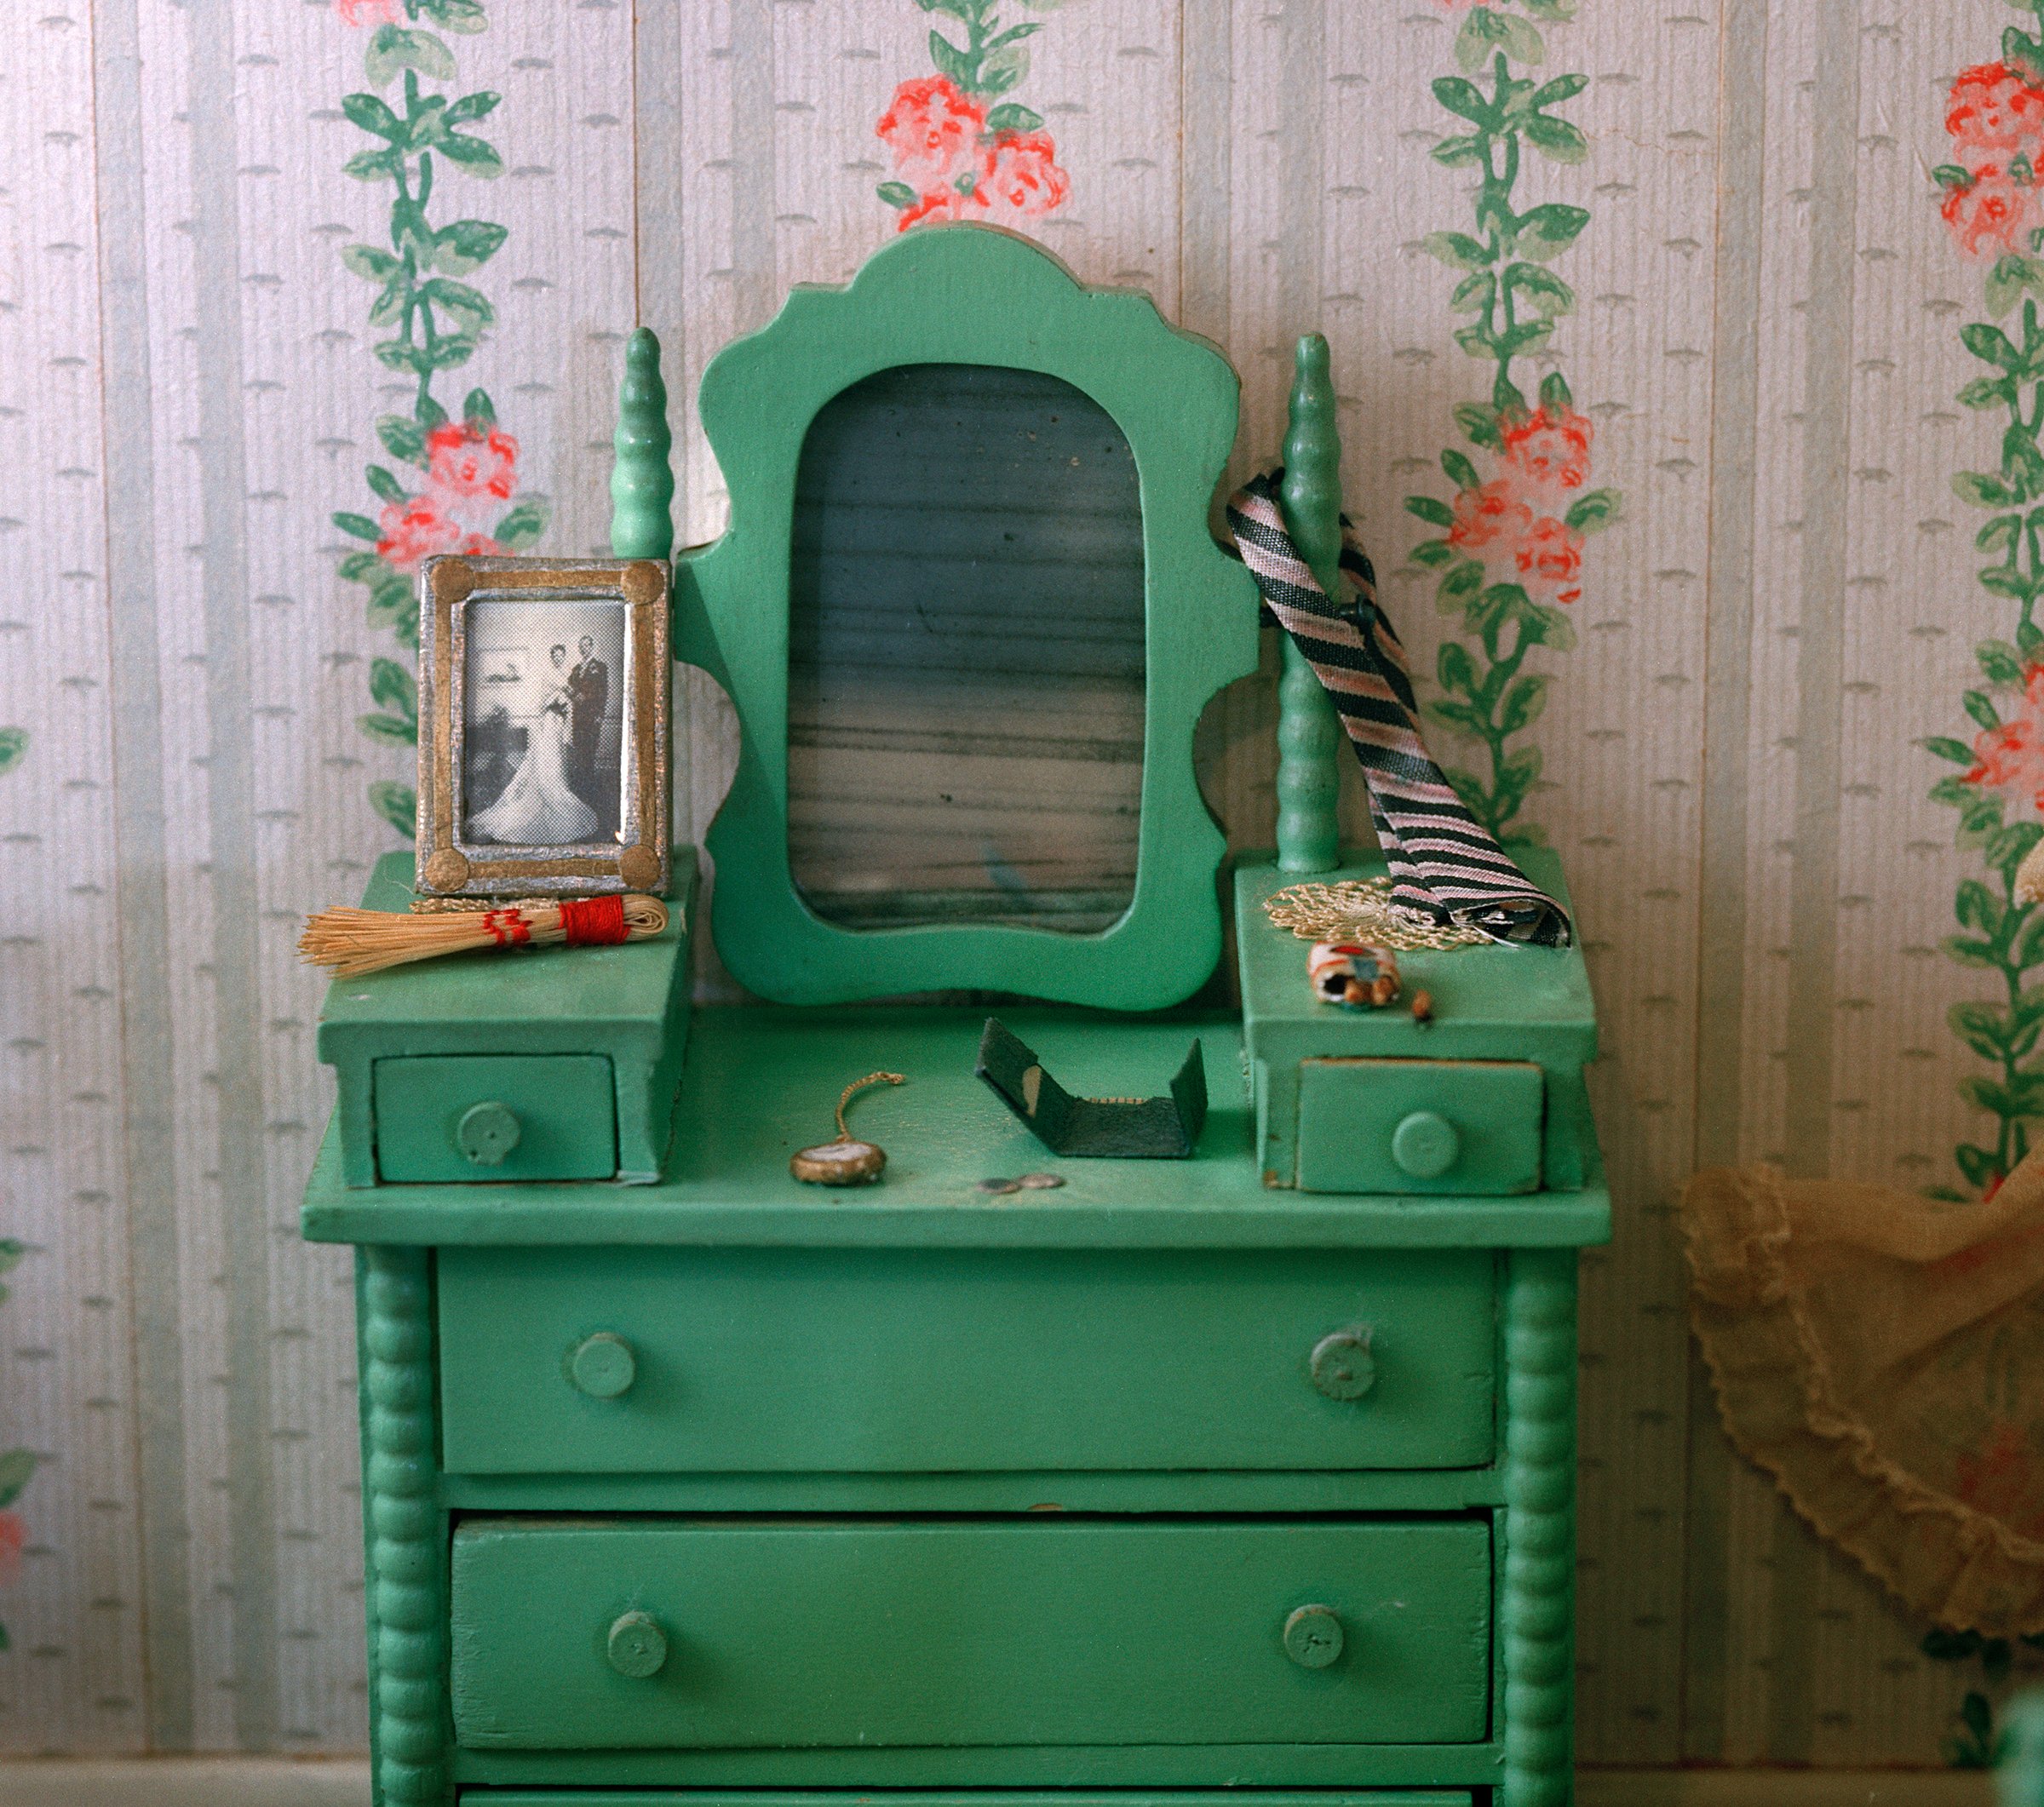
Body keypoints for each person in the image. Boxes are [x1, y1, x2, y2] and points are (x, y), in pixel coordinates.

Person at [468, 644, 599, 845]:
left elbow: (566, 696)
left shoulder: (564, 672)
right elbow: (550, 700)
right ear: (551, 656)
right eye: (555, 655)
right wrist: (560, 703)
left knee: (556, 756)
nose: (558, 658)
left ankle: (555, 783)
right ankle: (548, 786)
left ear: (564, 657)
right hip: (549, 719)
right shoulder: (549, 674)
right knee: (547, 755)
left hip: (557, 721)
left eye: (561, 655)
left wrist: (565, 708)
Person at [567, 633, 610, 807]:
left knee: (589, 751)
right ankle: (581, 789)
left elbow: (603, 692)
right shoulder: (576, 669)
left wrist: (599, 714)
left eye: (587, 645)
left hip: (592, 717)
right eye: (581, 646)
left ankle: (590, 792)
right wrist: (573, 694)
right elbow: (568, 686)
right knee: (579, 751)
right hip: (577, 717)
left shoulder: (600, 667)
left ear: (592, 647)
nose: (584, 648)